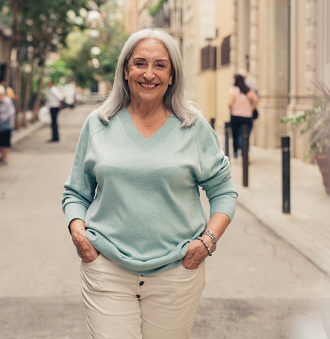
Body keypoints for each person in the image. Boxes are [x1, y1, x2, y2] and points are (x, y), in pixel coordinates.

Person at [62, 28, 238, 339]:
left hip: (176, 272)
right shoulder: (98, 123)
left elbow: (223, 191)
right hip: (106, 268)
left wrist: (207, 241)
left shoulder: (193, 127)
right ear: (126, 69)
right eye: (140, 63)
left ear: (172, 76)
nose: (149, 74)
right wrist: (78, 232)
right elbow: (76, 191)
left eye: (160, 65)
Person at [228, 73, 258, 158]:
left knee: (235, 134)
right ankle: (244, 151)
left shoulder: (233, 90)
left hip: (235, 115)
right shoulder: (248, 89)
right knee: (245, 135)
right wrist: (251, 109)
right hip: (247, 116)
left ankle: (235, 152)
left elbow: (230, 103)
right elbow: (256, 100)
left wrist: (232, 110)